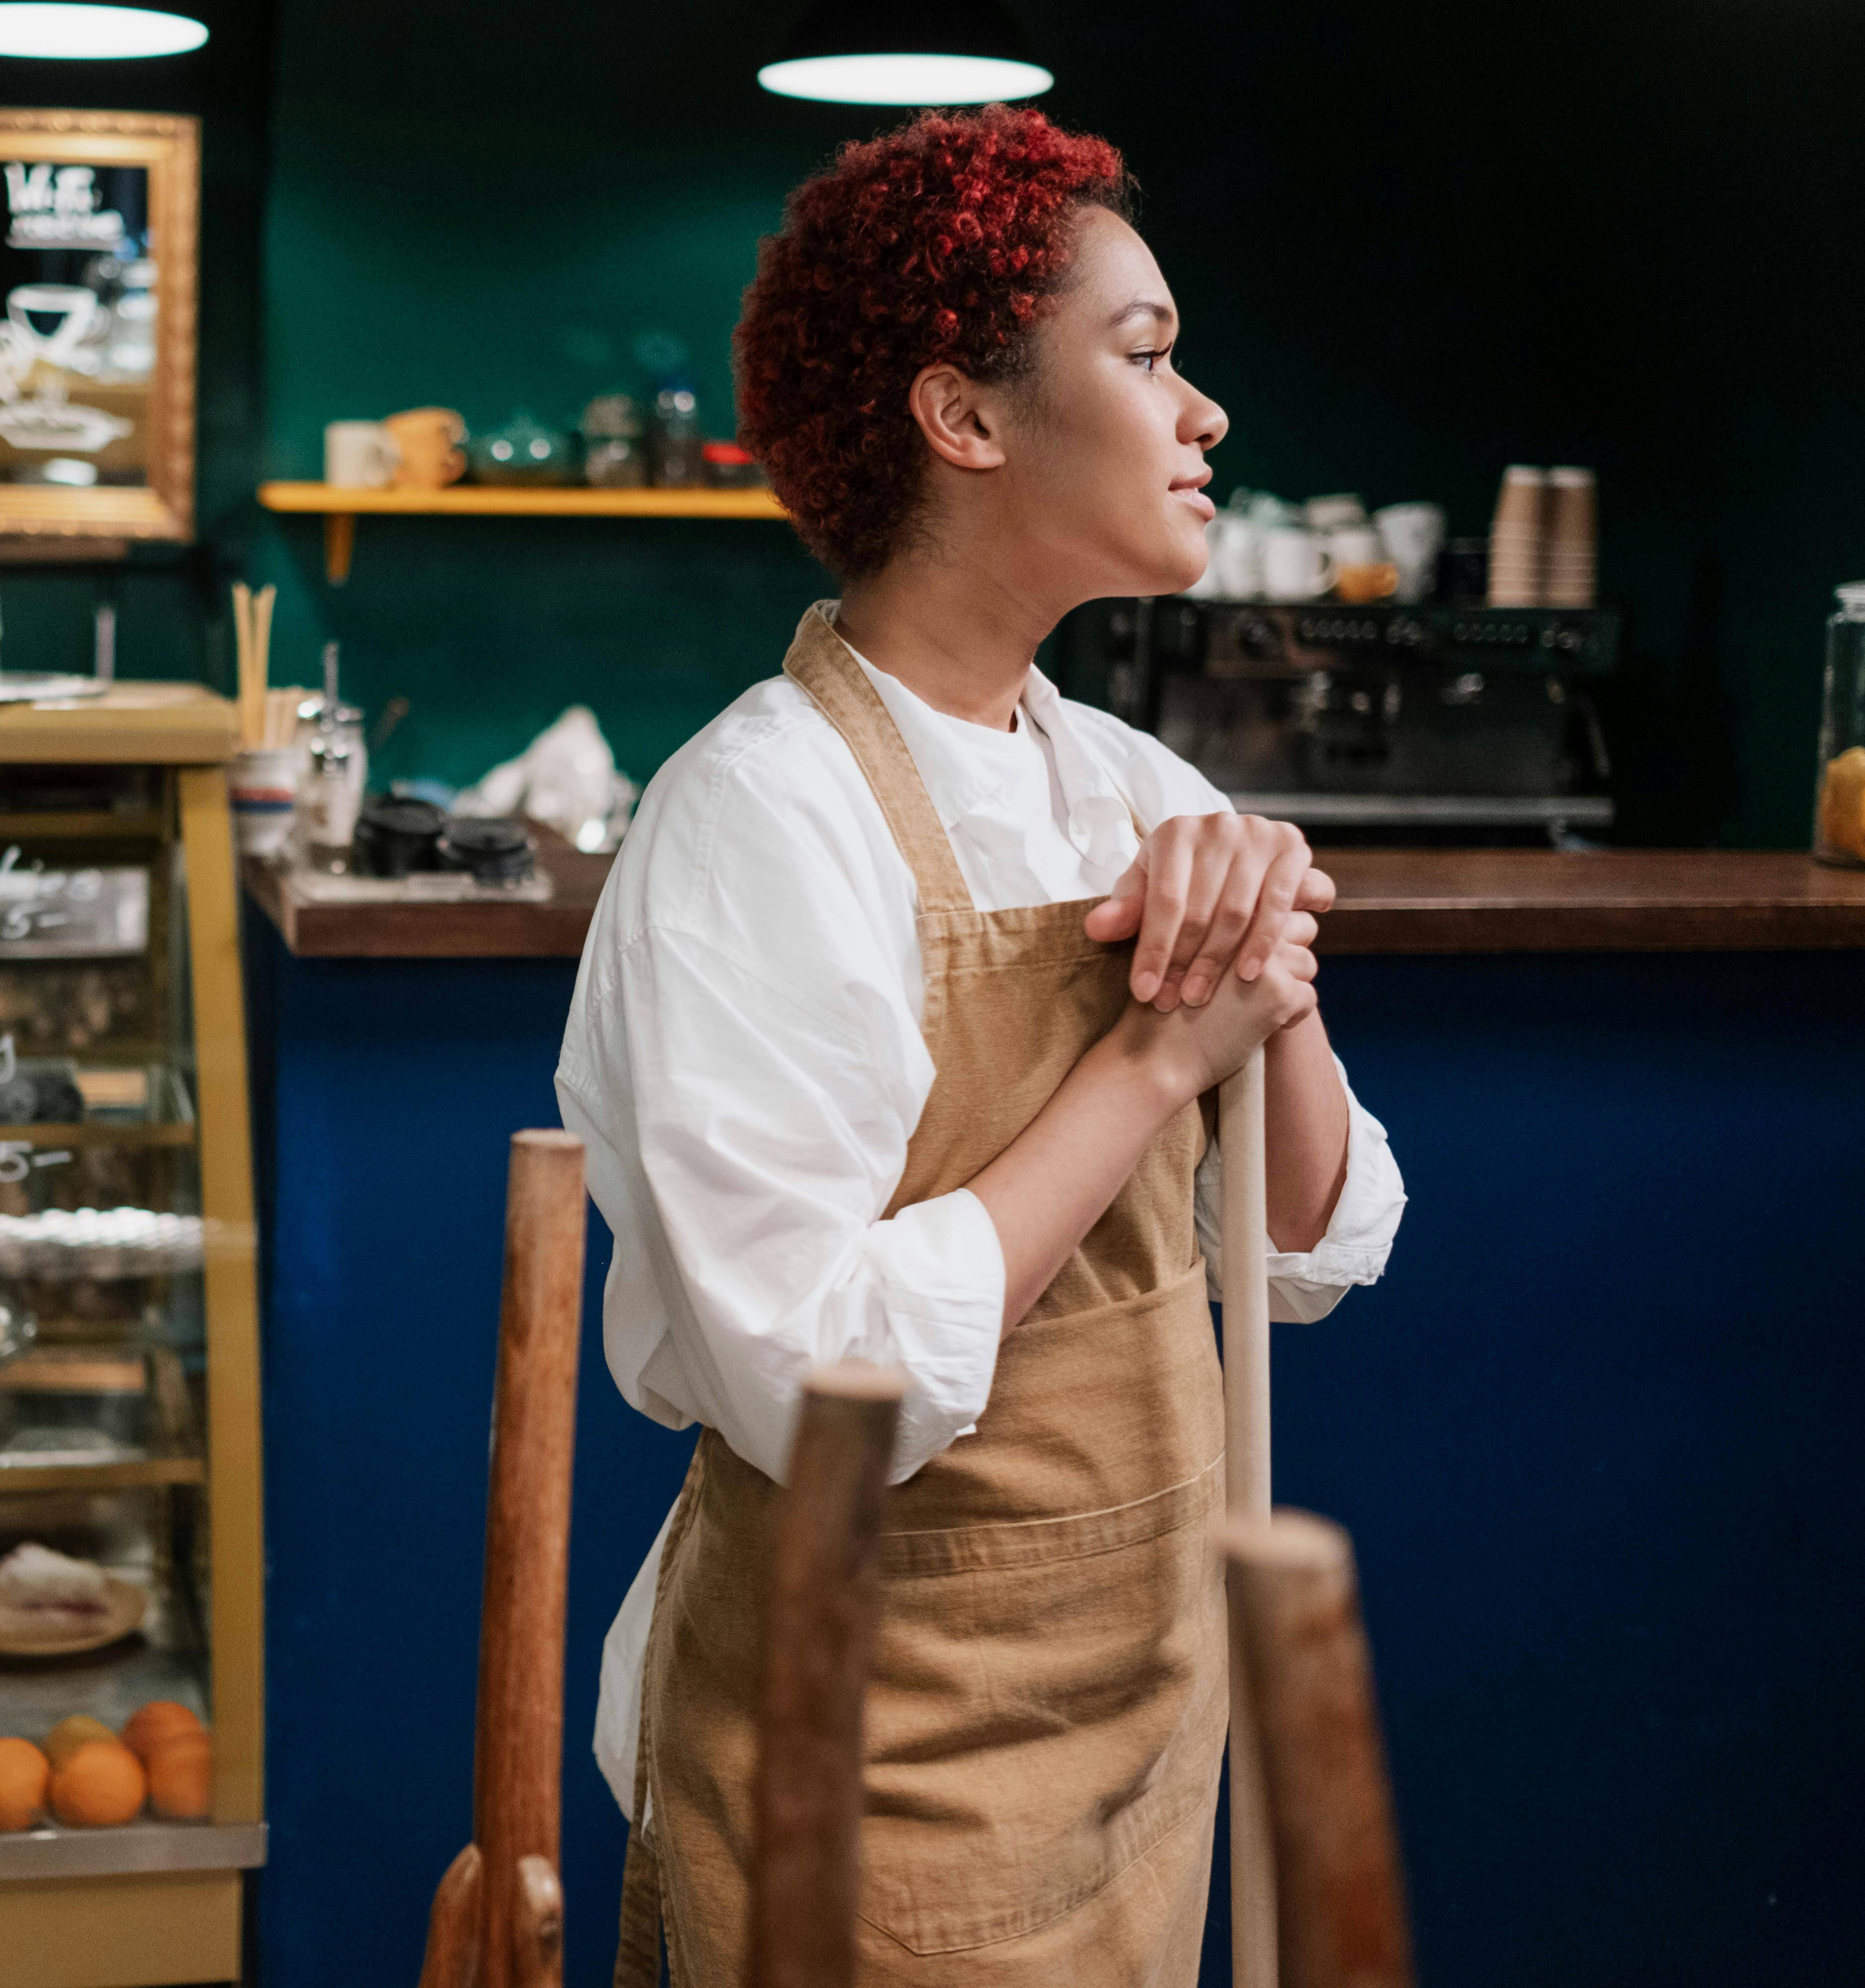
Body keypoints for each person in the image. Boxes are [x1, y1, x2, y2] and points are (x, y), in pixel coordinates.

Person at [558, 106, 1406, 1988]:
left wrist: (1274, 977)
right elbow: (815, 1380)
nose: (1206, 414)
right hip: (860, 1763)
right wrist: (1147, 1070)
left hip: (1133, 1721)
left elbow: (1305, 1256)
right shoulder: (754, 818)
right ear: (963, 418)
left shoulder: (1131, 785)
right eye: (1148, 351)